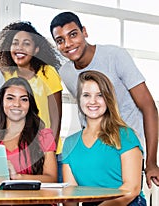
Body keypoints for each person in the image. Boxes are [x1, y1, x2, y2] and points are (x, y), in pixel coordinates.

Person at [50, 11, 159, 188]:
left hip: (125, 148)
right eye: (60, 40)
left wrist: (152, 162)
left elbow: (148, 107)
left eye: (73, 34)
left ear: (84, 32)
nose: (68, 44)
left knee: (126, 195)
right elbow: (89, 110)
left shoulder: (115, 56)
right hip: (95, 151)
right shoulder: (66, 72)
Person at [0, 21, 63, 182]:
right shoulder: (5, 75)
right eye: (15, 43)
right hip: (17, 148)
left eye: (26, 44)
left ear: (36, 49)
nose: (20, 48)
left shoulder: (47, 73)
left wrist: (48, 148)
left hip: (45, 148)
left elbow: (56, 115)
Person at [62, 70, 146, 206]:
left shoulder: (125, 135)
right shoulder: (69, 143)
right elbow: (71, 195)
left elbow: (132, 189)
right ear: (79, 99)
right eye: (86, 95)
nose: (93, 101)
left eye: (99, 95)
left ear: (108, 99)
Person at [0, 77, 57, 182]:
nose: (17, 104)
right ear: (1, 101)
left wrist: (18, 177)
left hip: (31, 197)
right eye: (10, 98)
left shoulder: (43, 136)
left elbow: (52, 178)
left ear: (30, 104)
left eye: (23, 99)